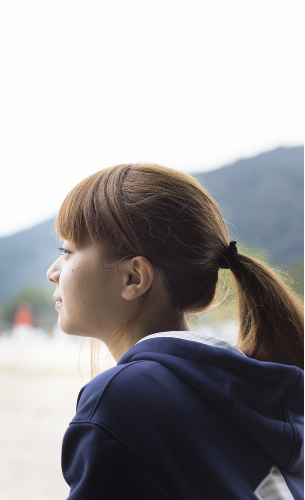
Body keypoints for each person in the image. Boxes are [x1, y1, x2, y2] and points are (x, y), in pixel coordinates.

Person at [47, 164, 303, 499]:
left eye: (67, 252)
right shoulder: (251, 389)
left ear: (133, 278)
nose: (54, 272)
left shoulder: (123, 399)